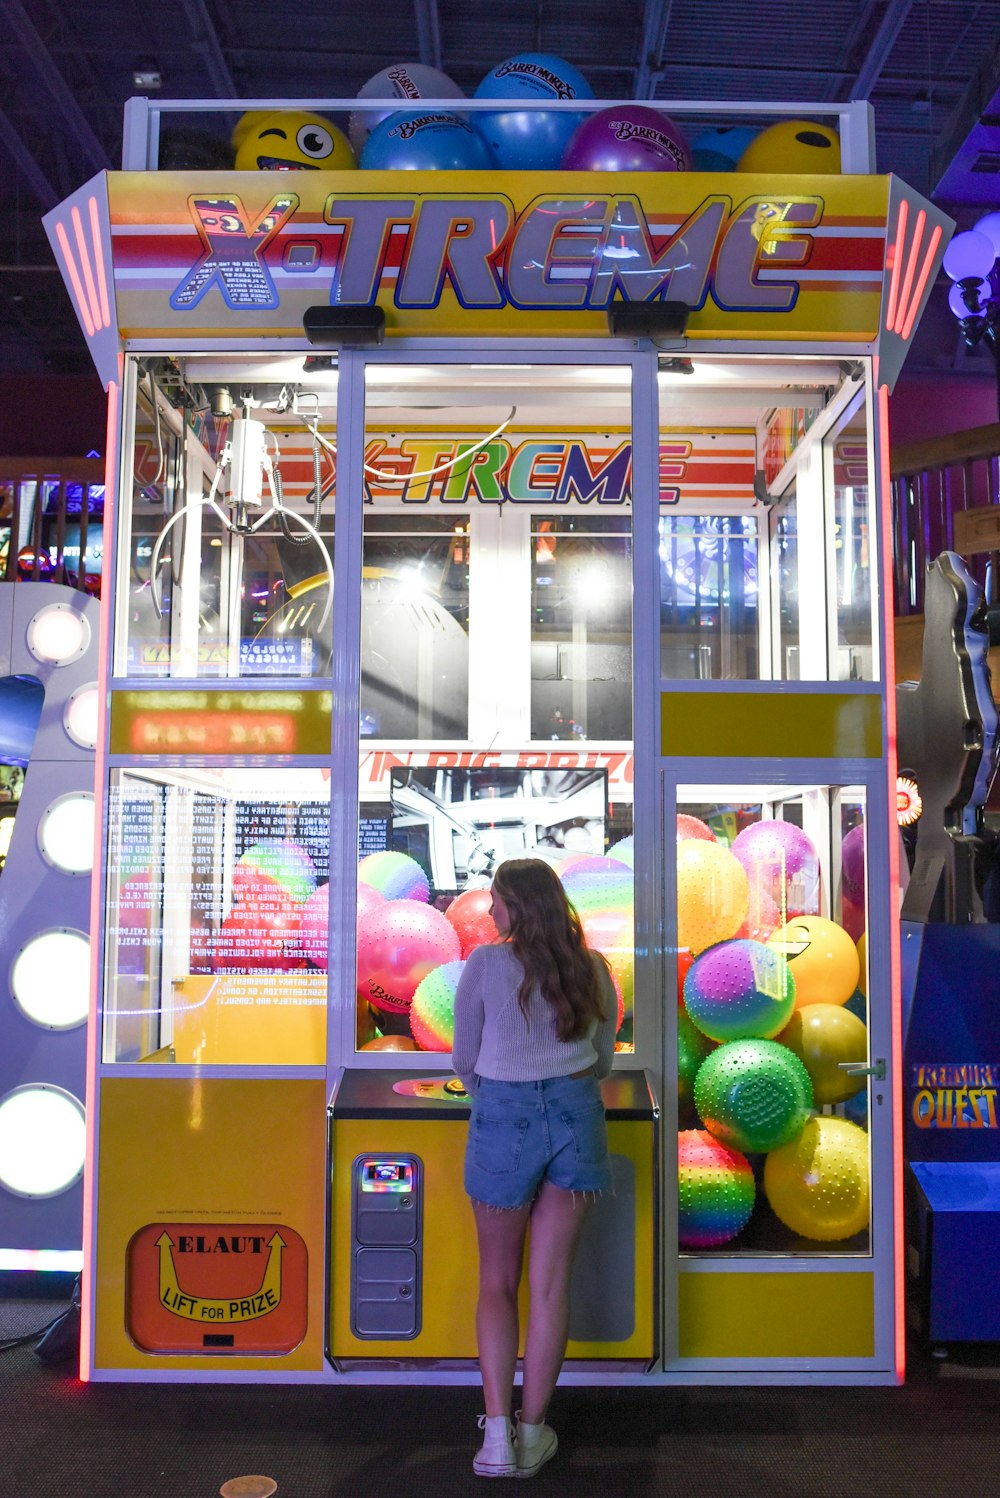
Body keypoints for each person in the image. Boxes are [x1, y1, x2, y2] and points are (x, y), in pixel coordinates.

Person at [452, 858, 618, 1479]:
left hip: (501, 1115)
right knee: (549, 1286)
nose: (489, 909)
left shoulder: (485, 964)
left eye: (495, 899)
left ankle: (496, 1438)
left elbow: (464, 1058)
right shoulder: (591, 967)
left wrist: (502, 1093)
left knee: (497, 1282)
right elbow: (601, 1060)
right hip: (578, 1114)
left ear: (518, 905)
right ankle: (534, 1430)